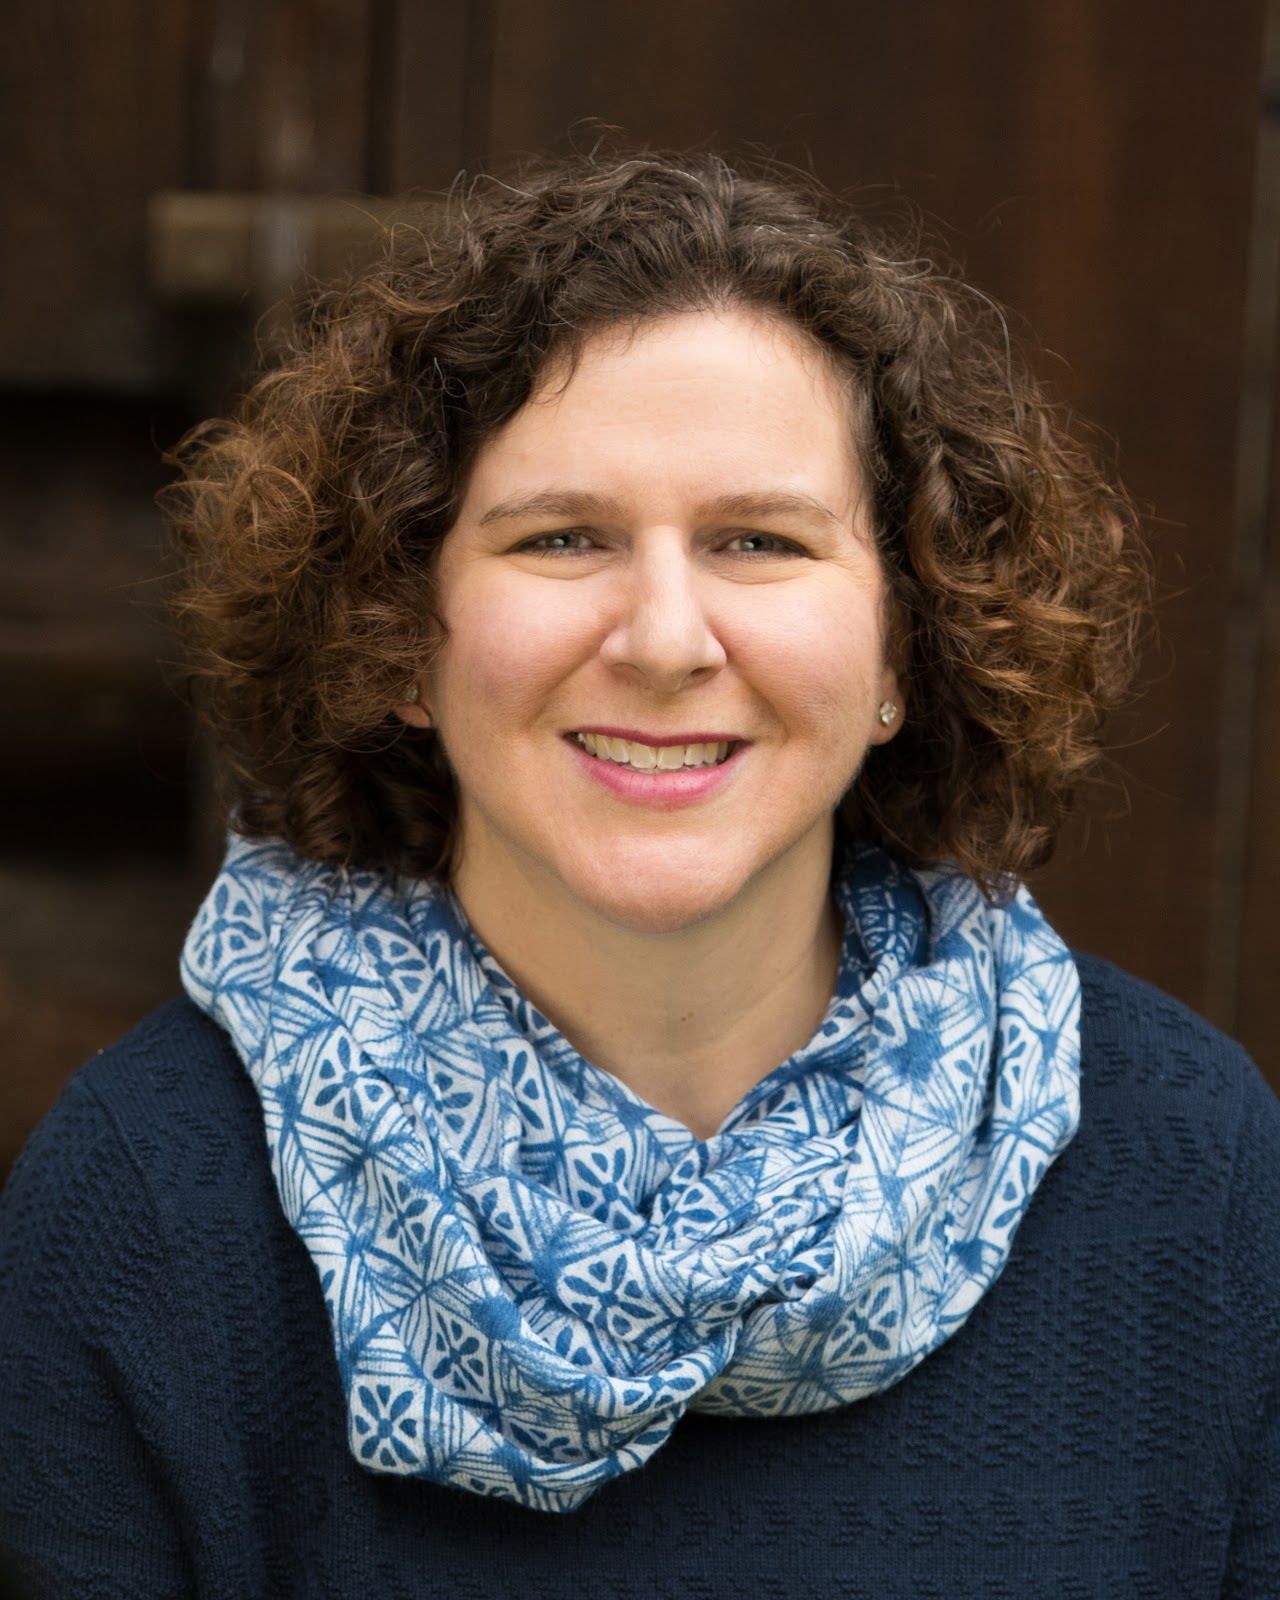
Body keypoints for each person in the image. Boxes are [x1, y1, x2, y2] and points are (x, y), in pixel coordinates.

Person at [0, 144, 1276, 1599]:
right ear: (401, 633)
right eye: (562, 538)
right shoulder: (159, 1201)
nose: (667, 639)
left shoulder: (1187, 1174)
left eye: (758, 539)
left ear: (904, 651)